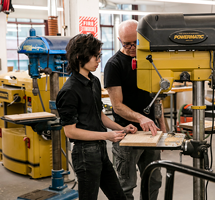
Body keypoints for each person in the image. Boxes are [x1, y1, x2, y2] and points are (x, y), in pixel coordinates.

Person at [56, 33, 137, 200]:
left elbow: (99, 115)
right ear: (80, 57)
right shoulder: (69, 91)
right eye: (95, 55)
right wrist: (107, 135)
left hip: (99, 150)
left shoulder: (94, 81)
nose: (98, 59)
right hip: (85, 154)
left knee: (119, 196)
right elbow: (70, 132)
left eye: (99, 55)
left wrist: (122, 128)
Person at [104, 20, 167, 200]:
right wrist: (141, 118)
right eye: (127, 44)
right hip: (126, 134)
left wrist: (162, 128)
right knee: (126, 185)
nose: (132, 47)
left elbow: (156, 98)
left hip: (151, 132)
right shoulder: (114, 65)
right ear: (119, 40)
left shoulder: (149, 61)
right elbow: (117, 105)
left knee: (154, 180)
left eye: (136, 42)